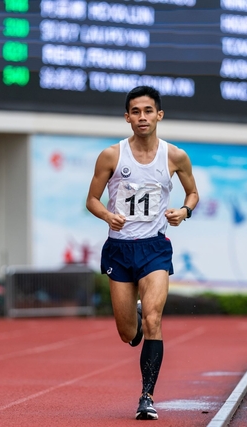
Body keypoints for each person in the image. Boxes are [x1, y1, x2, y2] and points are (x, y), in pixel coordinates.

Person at [86, 86, 199, 420]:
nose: (142, 117)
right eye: (135, 112)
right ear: (127, 118)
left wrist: (184, 211)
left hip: (154, 248)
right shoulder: (111, 156)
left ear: (159, 115)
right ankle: (133, 316)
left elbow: (192, 193)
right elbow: (92, 199)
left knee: (153, 319)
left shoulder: (175, 156)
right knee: (128, 333)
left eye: (148, 111)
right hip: (119, 250)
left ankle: (146, 396)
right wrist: (108, 215)